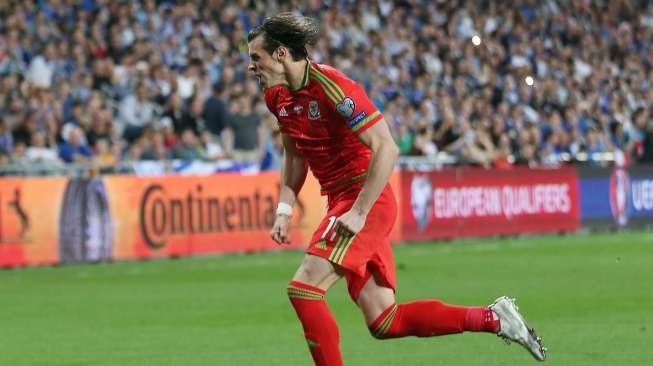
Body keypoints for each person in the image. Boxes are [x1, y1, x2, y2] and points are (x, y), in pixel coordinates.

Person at [247, 13, 546, 366]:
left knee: (304, 290)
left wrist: (358, 212)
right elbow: (294, 153)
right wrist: (285, 207)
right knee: (383, 320)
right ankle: (494, 318)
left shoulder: (334, 87)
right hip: (342, 204)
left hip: (363, 200)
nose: (252, 67)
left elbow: (386, 147)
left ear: (281, 53)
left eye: (256, 57)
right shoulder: (277, 96)